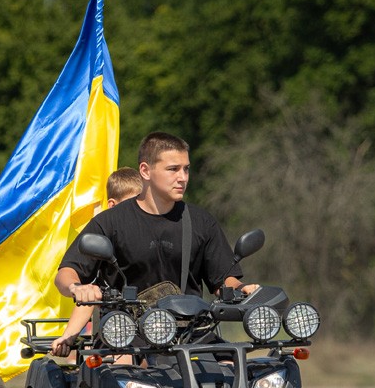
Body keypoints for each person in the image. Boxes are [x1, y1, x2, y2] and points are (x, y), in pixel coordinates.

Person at [55, 131, 256, 310]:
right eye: (173, 169)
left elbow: (223, 280)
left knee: (233, 353)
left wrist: (240, 288)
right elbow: (66, 272)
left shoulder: (202, 222)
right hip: (126, 336)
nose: (183, 177)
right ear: (145, 171)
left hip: (189, 334)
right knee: (123, 355)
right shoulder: (110, 222)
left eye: (186, 169)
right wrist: (77, 287)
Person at [50, 167, 144, 357]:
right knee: (124, 364)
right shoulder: (104, 243)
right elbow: (91, 294)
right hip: (119, 332)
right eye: (130, 206)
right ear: (112, 205)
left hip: (161, 328)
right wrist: (68, 336)